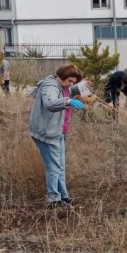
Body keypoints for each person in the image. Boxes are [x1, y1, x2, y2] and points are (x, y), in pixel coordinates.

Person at [29, 64, 85, 209]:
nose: (71, 84)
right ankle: (53, 200)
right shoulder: (50, 87)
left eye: (73, 82)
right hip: (47, 133)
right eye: (70, 81)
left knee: (60, 166)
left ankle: (63, 196)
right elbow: (50, 102)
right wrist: (68, 101)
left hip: (58, 132)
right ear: (61, 77)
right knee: (53, 167)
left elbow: (66, 91)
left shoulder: (62, 86)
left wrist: (81, 87)